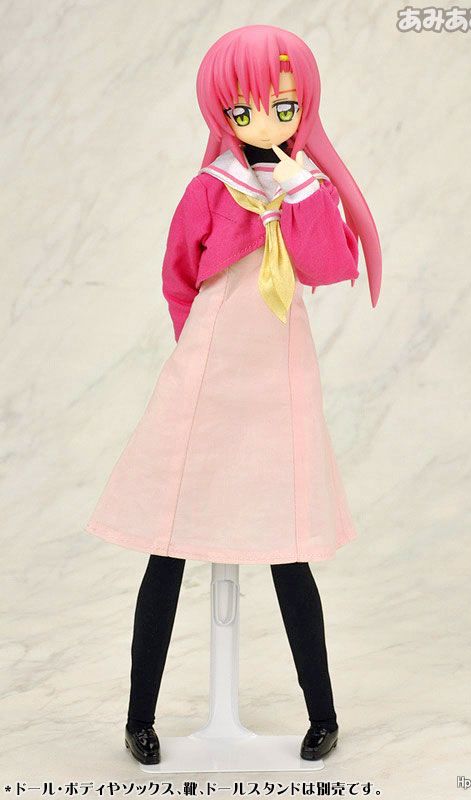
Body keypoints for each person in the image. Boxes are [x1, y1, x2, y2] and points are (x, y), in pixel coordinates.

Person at [85, 24, 382, 765]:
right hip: (211, 371)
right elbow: (178, 276)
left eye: (284, 106)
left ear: (304, 107)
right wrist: (197, 352)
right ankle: (139, 717)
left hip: (280, 375)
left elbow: (326, 266)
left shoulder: (308, 188)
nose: (265, 123)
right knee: (170, 543)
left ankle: (323, 713)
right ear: (222, 113)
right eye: (244, 110)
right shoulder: (211, 187)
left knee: (288, 548)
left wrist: (301, 191)